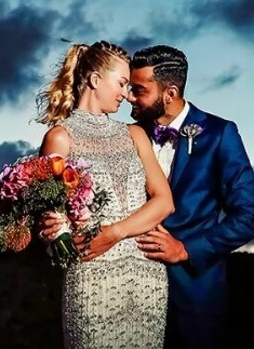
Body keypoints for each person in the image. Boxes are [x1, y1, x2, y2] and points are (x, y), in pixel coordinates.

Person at [37, 40, 174, 349]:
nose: (127, 95)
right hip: (91, 276)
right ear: (95, 80)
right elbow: (51, 221)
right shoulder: (60, 138)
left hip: (146, 278)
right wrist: (54, 233)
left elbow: (165, 201)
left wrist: (114, 232)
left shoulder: (135, 134)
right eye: (123, 83)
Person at [129, 45, 254, 349]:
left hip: (193, 294)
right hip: (130, 291)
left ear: (170, 93)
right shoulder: (128, 135)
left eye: (139, 90)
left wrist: (186, 250)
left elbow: (248, 218)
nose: (129, 98)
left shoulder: (220, 134)